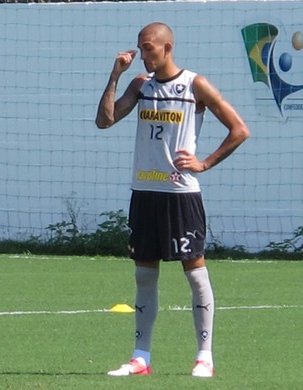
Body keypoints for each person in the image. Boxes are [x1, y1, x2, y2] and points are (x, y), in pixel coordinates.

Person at [95, 22, 249, 378]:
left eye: (148, 48)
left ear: (167, 48)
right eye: (139, 47)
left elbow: (239, 129)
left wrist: (205, 162)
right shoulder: (140, 85)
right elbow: (104, 121)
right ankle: (140, 357)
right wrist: (115, 75)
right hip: (145, 193)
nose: (142, 54)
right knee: (144, 277)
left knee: (195, 275)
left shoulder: (195, 85)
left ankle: (204, 357)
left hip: (180, 194)